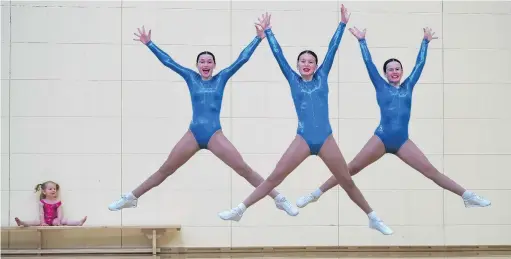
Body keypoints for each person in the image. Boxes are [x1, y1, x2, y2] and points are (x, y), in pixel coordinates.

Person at [218, 7, 393, 235]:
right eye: (302, 61)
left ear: (316, 65)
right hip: (303, 138)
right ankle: (241, 209)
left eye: (311, 61)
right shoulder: (293, 79)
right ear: (298, 65)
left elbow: (332, 50)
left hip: (325, 139)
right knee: (273, 178)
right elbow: (279, 55)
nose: (307, 64)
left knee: (347, 181)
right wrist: (269, 32)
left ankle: (372, 217)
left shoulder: (322, 76)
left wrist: (341, 25)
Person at [107, 24, 298, 216]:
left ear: (214, 65)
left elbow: (242, 59)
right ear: (197, 65)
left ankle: (279, 199)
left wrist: (258, 39)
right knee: (166, 169)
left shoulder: (221, 78)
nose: (205, 65)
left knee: (243, 169)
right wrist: (150, 44)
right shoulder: (191, 78)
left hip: (214, 134)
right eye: (202, 62)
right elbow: (169, 62)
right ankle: (131, 197)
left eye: (209, 62)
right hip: (194, 133)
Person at [295, 26, 491, 210]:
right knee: (351, 167)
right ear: (385, 73)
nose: (394, 71)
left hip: (402, 141)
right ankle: (315, 193)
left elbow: (419, 65)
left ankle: (467, 195)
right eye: (390, 69)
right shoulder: (381, 85)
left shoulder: (408, 86)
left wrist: (425, 43)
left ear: (402, 72)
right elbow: (369, 64)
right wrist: (362, 42)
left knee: (430, 171)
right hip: (382, 137)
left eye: (397, 68)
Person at [15, 181, 87, 226]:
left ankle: (78, 222)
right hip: (44, 220)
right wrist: (43, 222)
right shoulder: (42, 202)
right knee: (35, 221)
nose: (53, 190)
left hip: (54, 220)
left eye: (54, 189)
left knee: (64, 220)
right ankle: (22, 222)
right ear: (44, 192)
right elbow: (41, 213)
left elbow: (59, 212)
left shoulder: (57, 202)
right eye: (50, 189)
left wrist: (59, 220)